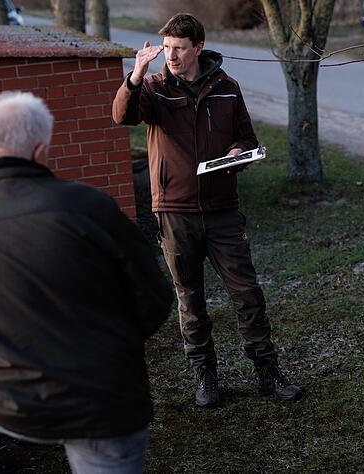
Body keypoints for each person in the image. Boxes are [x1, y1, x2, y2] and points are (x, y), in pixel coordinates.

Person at [0, 92, 173, 473]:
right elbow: (155, 303)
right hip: (103, 402)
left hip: (6, 403)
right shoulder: (94, 207)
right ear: (41, 151)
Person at [112, 12, 301, 409]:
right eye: (166, 48)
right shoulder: (155, 87)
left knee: (247, 294)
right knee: (190, 299)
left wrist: (238, 154)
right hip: (174, 211)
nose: (171, 56)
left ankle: (267, 372)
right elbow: (122, 116)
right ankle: (205, 377)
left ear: (198, 47)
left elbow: (246, 139)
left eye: (178, 48)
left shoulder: (227, 88)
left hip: (222, 210)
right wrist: (134, 75)